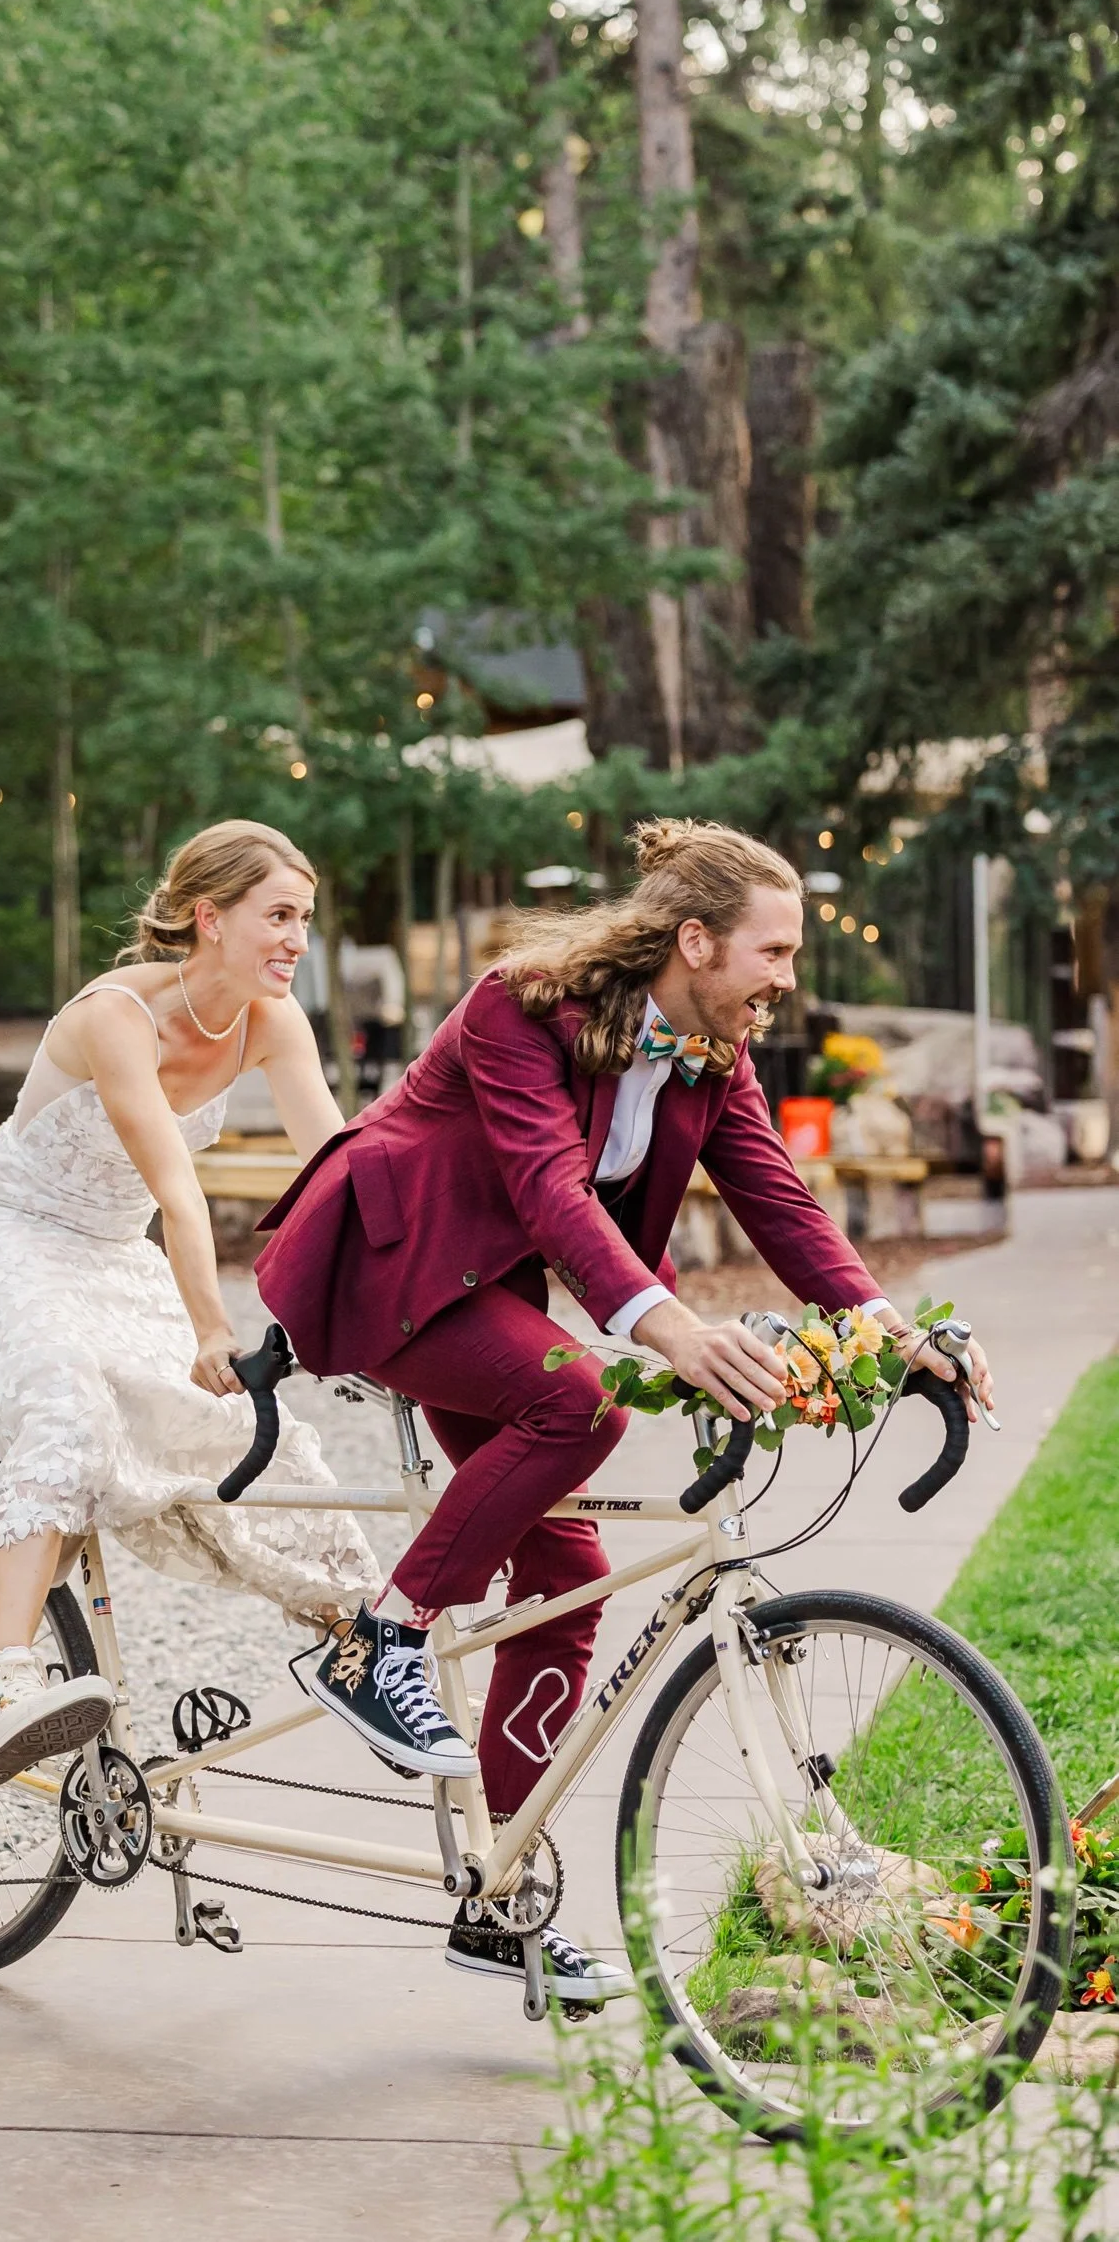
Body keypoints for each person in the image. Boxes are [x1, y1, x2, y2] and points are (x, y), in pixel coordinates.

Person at [255, 817, 996, 2003]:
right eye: (775, 952)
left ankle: (500, 1893)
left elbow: (785, 1210)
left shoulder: (715, 1051)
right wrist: (667, 1326)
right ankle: (375, 1642)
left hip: (481, 1295)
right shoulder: (522, 1005)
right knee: (585, 1404)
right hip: (388, 1266)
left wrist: (897, 1339)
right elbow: (549, 1188)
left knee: (565, 1581)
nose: (789, 980)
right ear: (695, 940)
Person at [0, 820, 377, 1789]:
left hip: (109, 1253)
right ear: (209, 919)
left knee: (260, 1434)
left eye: (306, 918)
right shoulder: (113, 1017)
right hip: (4, 1230)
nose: (298, 939)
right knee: (66, 1410)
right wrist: (211, 1325)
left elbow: (340, 1176)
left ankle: (366, 1640)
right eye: (280, 916)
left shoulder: (271, 1019)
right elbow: (177, 1187)